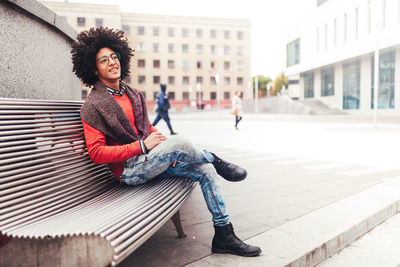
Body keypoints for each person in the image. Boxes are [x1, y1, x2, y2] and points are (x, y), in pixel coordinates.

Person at [71, 27, 261, 257]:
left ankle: (224, 234)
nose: (112, 62)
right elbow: (96, 153)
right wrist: (143, 146)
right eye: (103, 60)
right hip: (130, 171)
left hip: (150, 161)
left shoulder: (132, 93)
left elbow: (145, 127)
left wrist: (158, 142)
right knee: (179, 142)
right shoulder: (93, 105)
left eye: (114, 56)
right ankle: (215, 157)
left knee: (206, 171)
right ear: (93, 68)